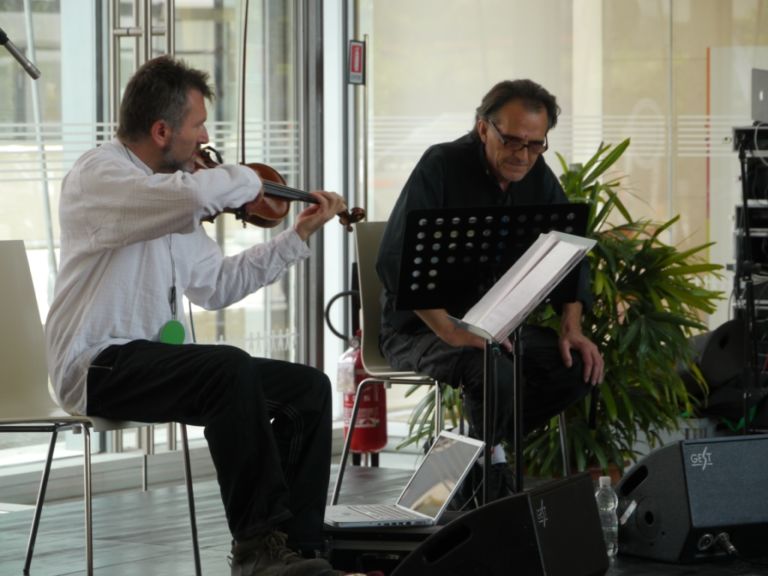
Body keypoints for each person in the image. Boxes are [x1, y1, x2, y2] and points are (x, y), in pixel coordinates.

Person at [45, 55, 347, 576]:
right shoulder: (103, 176)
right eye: (199, 124)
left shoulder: (173, 195)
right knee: (227, 369)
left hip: (153, 361)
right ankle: (256, 548)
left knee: (308, 389)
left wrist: (295, 237)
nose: (205, 137)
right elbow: (191, 197)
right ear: (162, 130)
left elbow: (216, 285)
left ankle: (298, 550)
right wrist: (242, 179)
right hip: (94, 364)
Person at [376, 79, 605, 501]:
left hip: (496, 327)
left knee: (575, 367)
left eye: (536, 145)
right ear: (483, 128)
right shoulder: (440, 164)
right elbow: (393, 260)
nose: (523, 156)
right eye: (513, 141)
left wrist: (571, 327)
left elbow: (569, 255)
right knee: (491, 369)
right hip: (420, 329)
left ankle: (461, 457)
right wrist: (451, 331)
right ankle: (489, 477)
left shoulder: (535, 172)